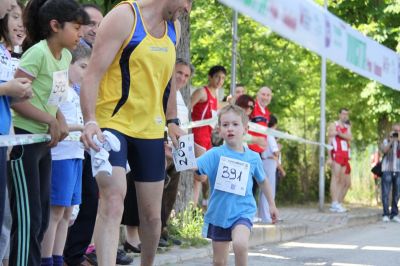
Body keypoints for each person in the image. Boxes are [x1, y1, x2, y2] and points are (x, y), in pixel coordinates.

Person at [79, 0, 192, 264]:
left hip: (150, 129)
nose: (188, 9)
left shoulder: (173, 27)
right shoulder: (124, 16)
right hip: (112, 123)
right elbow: (93, 73)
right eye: (187, 1)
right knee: (113, 197)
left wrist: (172, 120)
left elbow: (167, 82)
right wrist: (90, 120)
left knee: (152, 217)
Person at [8, 0, 89, 265]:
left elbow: (54, 98)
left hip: (45, 142)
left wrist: (60, 119)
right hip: (24, 142)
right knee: (28, 217)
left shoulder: (65, 56)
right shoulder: (36, 54)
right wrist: (51, 121)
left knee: (41, 216)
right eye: (76, 28)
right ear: (55, 26)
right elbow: (16, 100)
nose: (80, 34)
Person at [195, 104, 278, 266]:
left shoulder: (253, 157)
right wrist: (175, 154)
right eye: (225, 125)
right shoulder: (215, 153)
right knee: (219, 262)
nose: (230, 128)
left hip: (243, 211)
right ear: (219, 130)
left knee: (240, 244)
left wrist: (272, 205)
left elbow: (263, 181)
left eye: (235, 124)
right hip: (219, 213)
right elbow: (193, 166)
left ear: (245, 128)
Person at [40, 43, 90, 266]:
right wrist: (81, 129)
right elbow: (51, 115)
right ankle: (46, 258)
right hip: (60, 156)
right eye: (82, 66)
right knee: (56, 211)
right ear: (68, 64)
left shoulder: (77, 91)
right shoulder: (60, 86)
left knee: (69, 211)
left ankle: (58, 257)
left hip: (76, 155)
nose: (85, 72)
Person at [0, 1, 29, 265]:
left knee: (4, 217)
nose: (20, 22)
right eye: (13, 14)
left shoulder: (7, 54)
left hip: (3, 139)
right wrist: (7, 89)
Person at [191, 65, 227, 209]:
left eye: (223, 78)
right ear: (210, 77)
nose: (220, 80)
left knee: (199, 179)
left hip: (207, 137)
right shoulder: (202, 92)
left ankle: (192, 210)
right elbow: (187, 107)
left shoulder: (215, 95)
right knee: (201, 175)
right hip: (197, 135)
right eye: (217, 76)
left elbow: (217, 108)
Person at [327, 108, 352, 213]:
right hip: (337, 154)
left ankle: (338, 203)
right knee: (335, 178)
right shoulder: (334, 125)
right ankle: (334, 203)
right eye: (343, 114)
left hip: (345, 155)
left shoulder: (347, 126)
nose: (345, 116)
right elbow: (329, 139)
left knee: (342, 180)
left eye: (346, 114)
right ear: (339, 115)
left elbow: (350, 137)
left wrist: (341, 133)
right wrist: (329, 157)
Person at [258, 114, 280, 223]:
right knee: (269, 189)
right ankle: (266, 216)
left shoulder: (265, 133)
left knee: (266, 189)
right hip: (269, 162)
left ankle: (265, 215)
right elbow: (275, 151)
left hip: (266, 161)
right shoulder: (270, 134)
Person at [380, 124, 400, 223]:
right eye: (395, 130)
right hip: (387, 170)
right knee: (386, 193)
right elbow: (384, 150)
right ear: (391, 131)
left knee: (397, 194)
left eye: (399, 131)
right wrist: (391, 141)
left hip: (398, 170)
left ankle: (394, 214)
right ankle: (385, 214)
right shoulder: (386, 141)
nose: (397, 133)